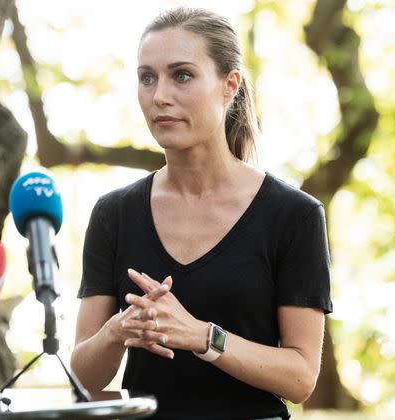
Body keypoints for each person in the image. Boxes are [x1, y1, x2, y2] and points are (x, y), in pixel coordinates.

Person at [71, 6, 333, 419]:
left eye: (182, 75)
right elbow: (84, 379)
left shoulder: (293, 215)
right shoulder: (113, 214)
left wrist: (201, 336)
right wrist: (118, 330)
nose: (160, 96)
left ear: (229, 86)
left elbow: (301, 378)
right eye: (147, 77)